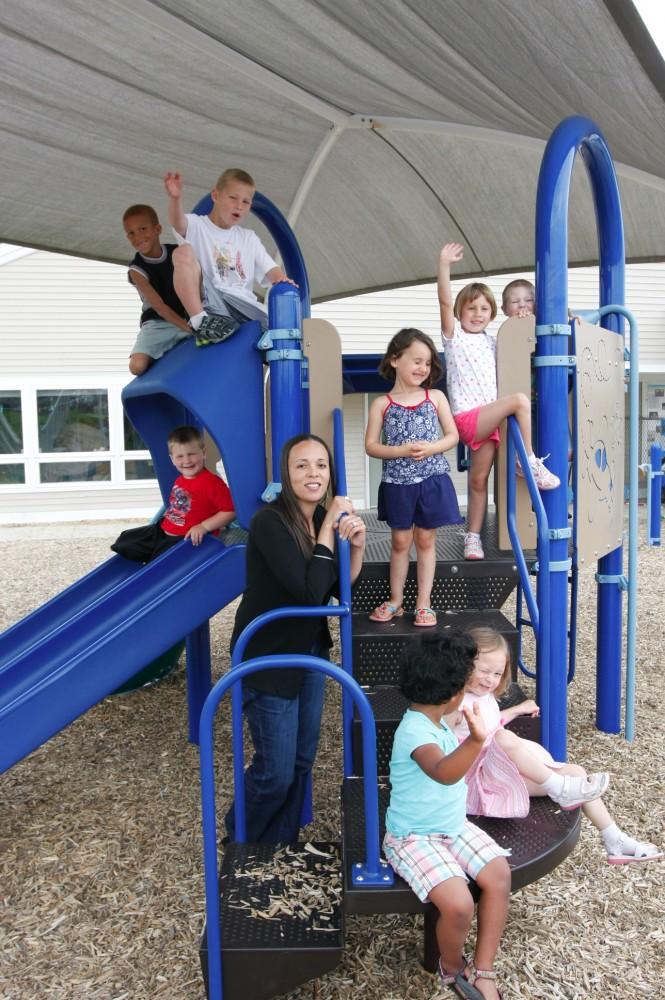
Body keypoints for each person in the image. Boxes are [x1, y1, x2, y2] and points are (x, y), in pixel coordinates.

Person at [224, 434, 366, 844]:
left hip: (309, 652)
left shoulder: (319, 517)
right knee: (275, 772)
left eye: (321, 465)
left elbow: (335, 589)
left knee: (302, 762)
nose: (313, 473)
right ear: (286, 474)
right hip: (268, 656)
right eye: (302, 465)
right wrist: (327, 530)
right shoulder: (270, 521)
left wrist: (354, 548)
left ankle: (280, 845)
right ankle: (240, 839)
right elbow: (306, 591)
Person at [449, 627, 663, 865]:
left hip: (500, 771)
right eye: (484, 671)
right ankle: (559, 788)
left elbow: (491, 723)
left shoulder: (484, 697)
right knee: (505, 738)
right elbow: (446, 751)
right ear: (463, 664)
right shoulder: (454, 705)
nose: (490, 679)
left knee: (578, 776)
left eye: (497, 673)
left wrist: (518, 709)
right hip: (479, 783)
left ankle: (614, 839)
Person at [383, 631, 511, 1000]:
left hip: (452, 826)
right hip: (412, 837)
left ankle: (483, 967)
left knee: (498, 875)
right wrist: (474, 741)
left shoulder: (438, 718)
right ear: (454, 694)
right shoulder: (413, 731)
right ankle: (452, 968)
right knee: (459, 904)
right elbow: (443, 771)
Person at [438, 243, 560, 561]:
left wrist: (523, 317)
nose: (477, 314)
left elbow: (524, 343)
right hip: (468, 417)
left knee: (479, 481)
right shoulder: (455, 338)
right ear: (459, 313)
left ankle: (473, 538)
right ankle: (529, 462)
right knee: (519, 401)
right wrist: (444, 265)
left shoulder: (495, 342)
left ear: (493, 313)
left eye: (484, 309)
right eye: (471, 308)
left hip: (489, 424)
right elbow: (444, 299)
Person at [365, 328, 461, 627]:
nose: (423, 368)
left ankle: (424, 602)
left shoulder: (435, 397)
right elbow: (371, 446)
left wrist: (432, 447)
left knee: (425, 539)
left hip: (431, 480)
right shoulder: (382, 403)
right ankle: (396, 601)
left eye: (428, 363)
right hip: (397, 484)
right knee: (400, 541)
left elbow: (453, 435)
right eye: (416, 360)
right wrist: (401, 450)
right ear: (395, 359)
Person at [163, 167, 295, 346]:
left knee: (286, 334)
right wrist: (175, 198)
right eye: (233, 198)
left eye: (246, 202)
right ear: (215, 196)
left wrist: (283, 281)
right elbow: (177, 222)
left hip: (242, 305)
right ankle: (200, 322)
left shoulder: (248, 237)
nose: (239, 206)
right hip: (213, 303)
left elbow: (272, 270)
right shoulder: (197, 225)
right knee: (182, 252)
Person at [111, 425, 235, 562]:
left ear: (203, 453)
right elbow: (177, 506)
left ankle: (153, 562)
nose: (187, 461)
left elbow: (230, 511)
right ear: (172, 459)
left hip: (183, 540)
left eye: (192, 454)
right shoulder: (180, 480)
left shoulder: (212, 483)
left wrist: (204, 526)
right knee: (124, 540)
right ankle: (151, 555)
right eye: (180, 456)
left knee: (158, 565)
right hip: (161, 530)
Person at [123, 204, 191, 375]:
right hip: (157, 324)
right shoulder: (136, 270)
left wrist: (193, 320)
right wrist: (190, 330)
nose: (138, 237)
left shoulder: (176, 252)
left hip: (186, 316)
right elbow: (160, 308)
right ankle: (160, 361)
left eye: (143, 229)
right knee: (136, 367)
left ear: (157, 229)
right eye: (131, 233)